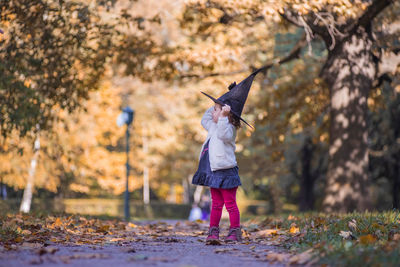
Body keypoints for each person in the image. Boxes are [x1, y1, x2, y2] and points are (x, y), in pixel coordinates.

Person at [192, 68, 263, 244]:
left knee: (230, 204)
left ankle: (234, 231)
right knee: (215, 204)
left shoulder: (227, 128)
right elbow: (204, 119)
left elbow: (224, 135)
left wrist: (223, 114)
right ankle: (213, 232)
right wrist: (218, 104)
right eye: (215, 110)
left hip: (227, 171)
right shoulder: (213, 126)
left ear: (226, 115)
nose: (213, 113)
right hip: (213, 171)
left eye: (216, 110)